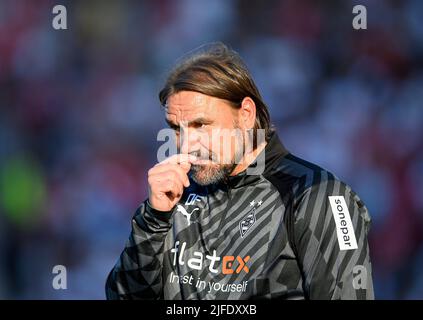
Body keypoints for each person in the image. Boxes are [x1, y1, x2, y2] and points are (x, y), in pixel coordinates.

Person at [105, 42, 374, 300]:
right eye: (177, 129)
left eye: (201, 125)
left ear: (245, 114)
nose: (187, 144)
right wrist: (153, 220)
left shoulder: (316, 194)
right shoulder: (175, 193)